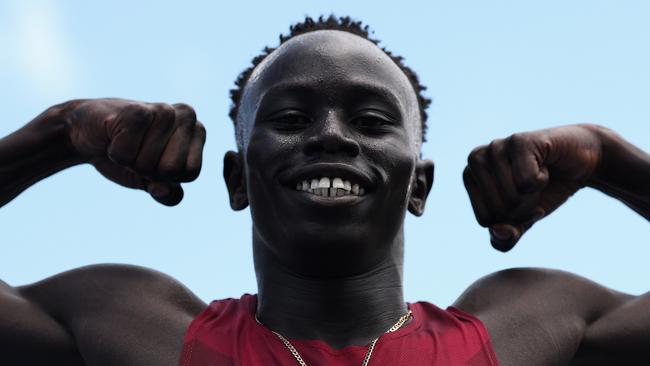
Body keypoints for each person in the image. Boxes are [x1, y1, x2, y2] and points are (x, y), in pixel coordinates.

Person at [1, 15, 649, 366]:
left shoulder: (526, 327)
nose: (332, 138)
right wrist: (59, 132)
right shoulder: (133, 327)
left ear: (418, 186)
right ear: (237, 180)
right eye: (289, 119)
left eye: (371, 122)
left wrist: (609, 156)